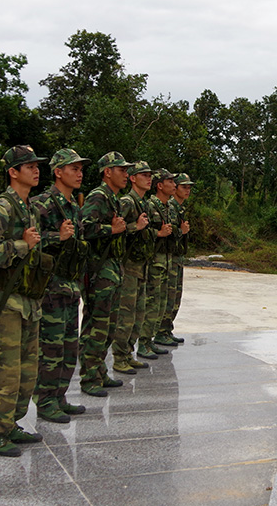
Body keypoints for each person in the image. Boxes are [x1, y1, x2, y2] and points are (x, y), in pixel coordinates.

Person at [0, 145, 52, 457]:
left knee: (27, 371)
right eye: (29, 166)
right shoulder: (1, 208)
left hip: (29, 301)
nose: (36, 170)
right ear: (13, 172)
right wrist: (22, 246)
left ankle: (11, 424)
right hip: (6, 301)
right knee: (6, 373)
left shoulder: (30, 208)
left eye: (37, 166)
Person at [31, 148, 91, 423]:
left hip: (70, 286)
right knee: (50, 349)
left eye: (81, 169)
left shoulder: (74, 207)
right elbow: (28, 241)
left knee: (69, 348)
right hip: (50, 289)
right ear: (58, 172)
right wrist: (56, 236)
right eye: (74, 169)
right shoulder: (41, 204)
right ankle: (45, 401)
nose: (79, 174)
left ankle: (60, 396)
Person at [78, 151, 131, 397]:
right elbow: (84, 228)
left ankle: (99, 371)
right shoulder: (98, 196)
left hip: (112, 268)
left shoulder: (114, 198)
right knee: (96, 325)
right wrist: (111, 229)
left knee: (108, 326)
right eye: (121, 170)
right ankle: (89, 378)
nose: (126, 174)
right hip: (99, 270)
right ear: (107, 172)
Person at [110, 161, 153, 374]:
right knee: (125, 315)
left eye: (150, 175)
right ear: (134, 179)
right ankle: (119, 357)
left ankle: (128, 353)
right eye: (144, 175)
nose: (149, 178)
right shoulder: (127, 202)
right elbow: (114, 229)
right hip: (128, 266)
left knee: (139, 314)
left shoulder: (143, 203)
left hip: (140, 266)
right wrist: (134, 226)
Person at [136, 169, 175, 359]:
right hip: (153, 261)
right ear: (161, 186)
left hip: (165, 260)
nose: (174, 185)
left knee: (160, 302)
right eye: (170, 182)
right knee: (151, 302)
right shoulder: (150, 205)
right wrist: (158, 233)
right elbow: (142, 231)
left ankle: (150, 339)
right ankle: (143, 342)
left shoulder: (167, 207)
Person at [157, 173, 193, 346]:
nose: (187, 190)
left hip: (177, 257)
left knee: (176, 295)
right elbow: (169, 234)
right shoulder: (170, 207)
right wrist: (181, 231)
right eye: (183, 186)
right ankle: (161, 331)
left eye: (189, 187)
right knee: (169, 295)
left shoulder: (179, 208)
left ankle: (167, 329)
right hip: (170, 256)